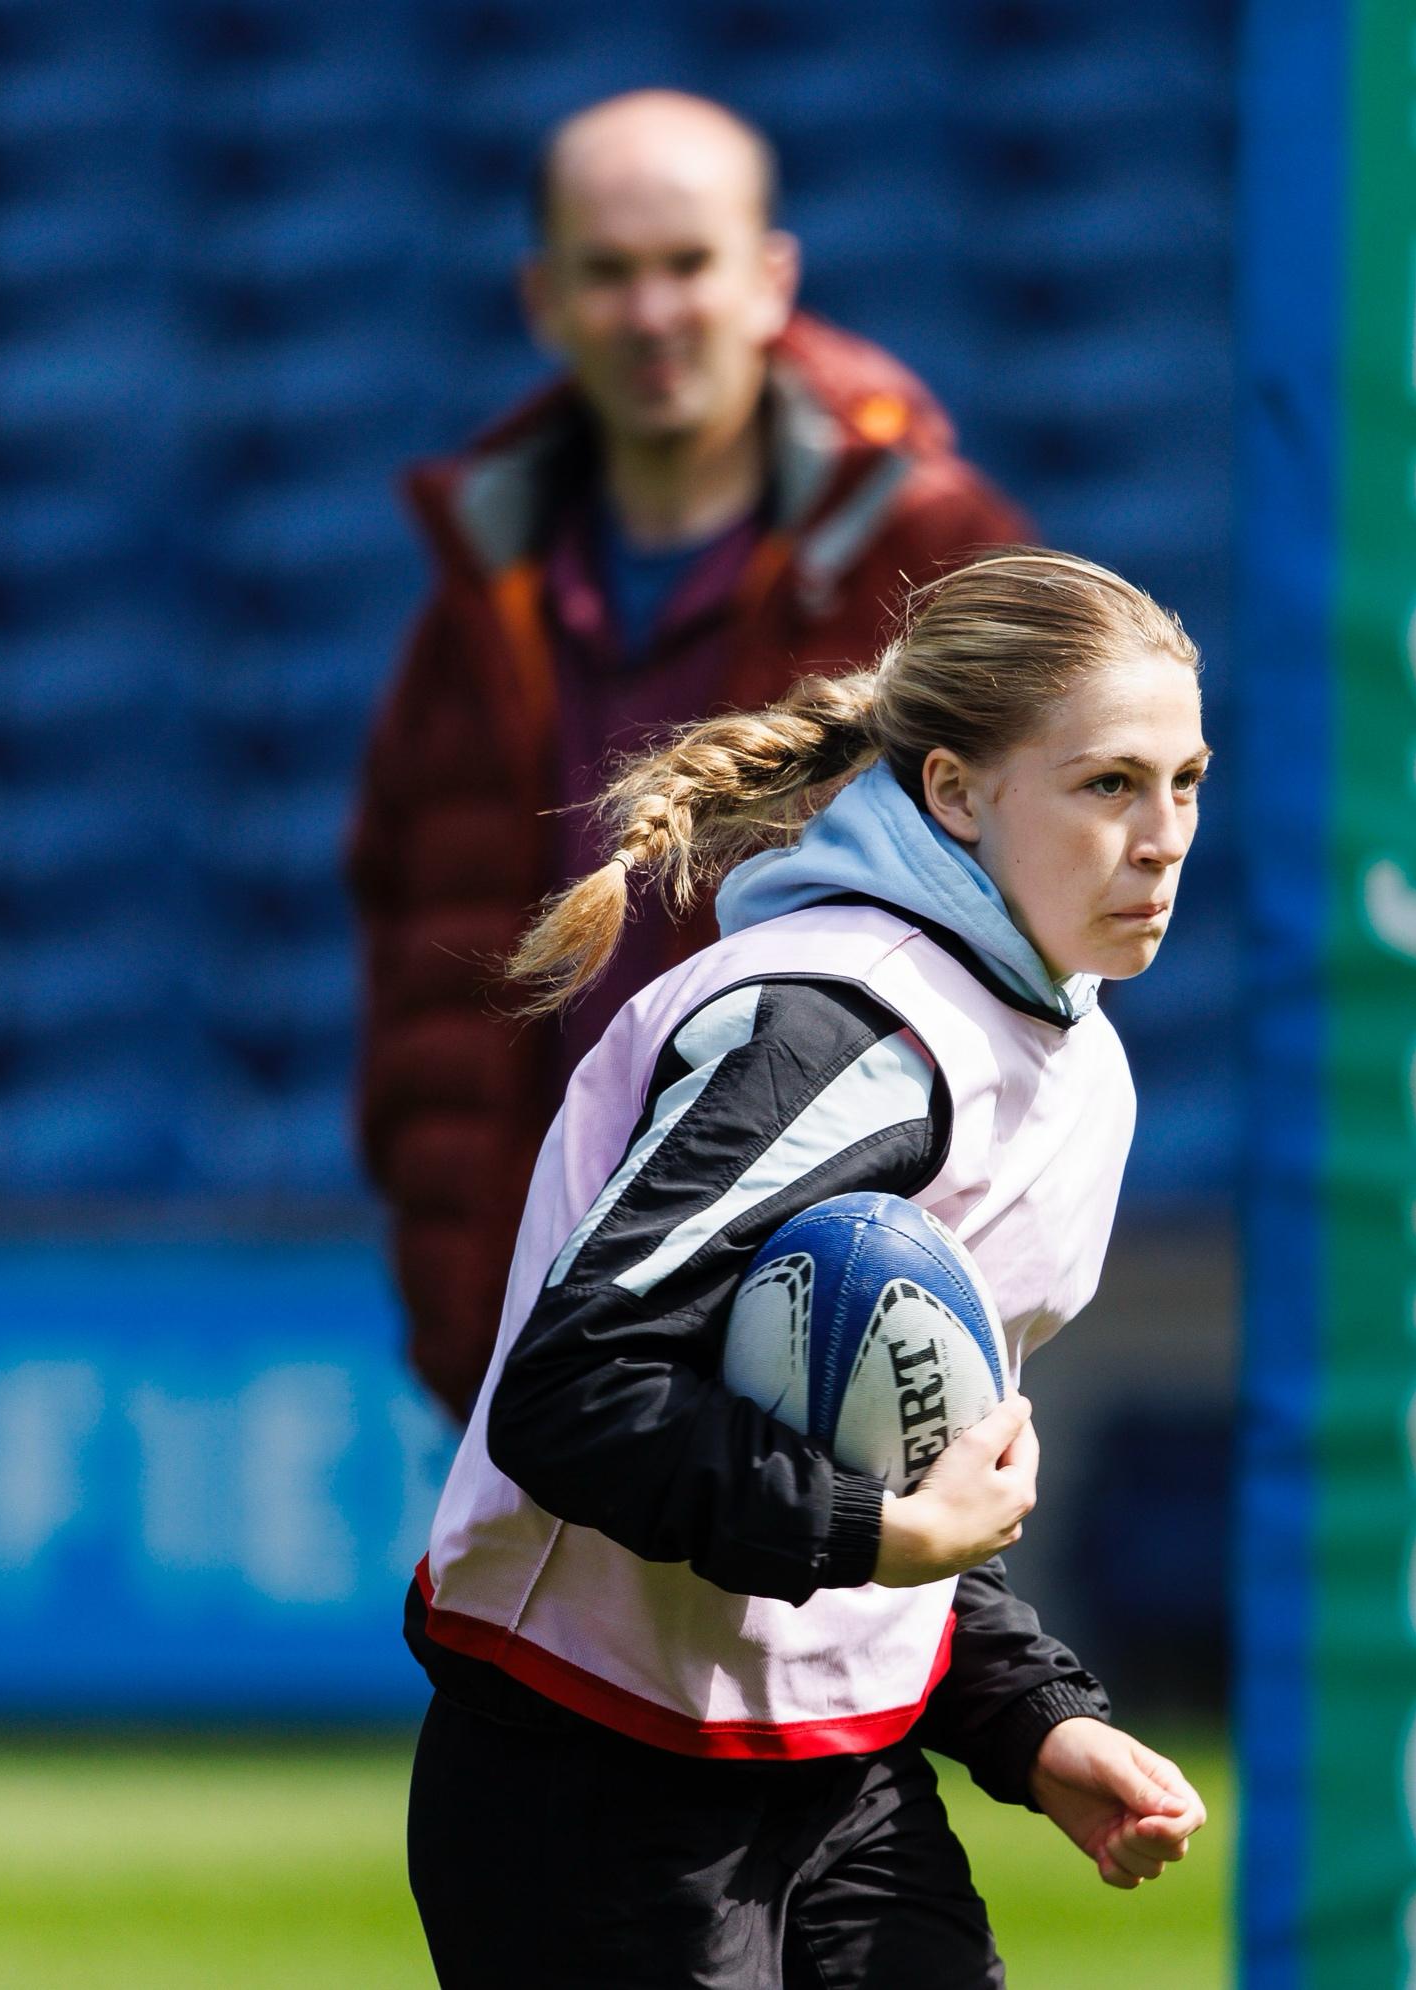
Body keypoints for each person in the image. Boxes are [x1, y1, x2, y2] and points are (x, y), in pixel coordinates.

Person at [401, 550, 1211, 1986]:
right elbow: (571, 1390)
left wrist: (1031, 1716)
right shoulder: (843, 1032)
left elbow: (896, 1463)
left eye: (1187, 783)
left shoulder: (1078, 1062)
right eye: (1108, 785)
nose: (1161, 839)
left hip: (840, 1775)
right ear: (955, 793)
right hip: (592, 1780)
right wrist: (875, 1534)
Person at [349, 90, 1031, 1420]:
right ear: (544, 300)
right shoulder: (479, 594)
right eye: (609, 272)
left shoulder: (935, 557)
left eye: (688, 264)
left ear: (771, 279)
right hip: (543, 1357)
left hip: (841, 1350)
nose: (653, 312)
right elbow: (414, 967)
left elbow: (1049, 934)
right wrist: (460, 1299)